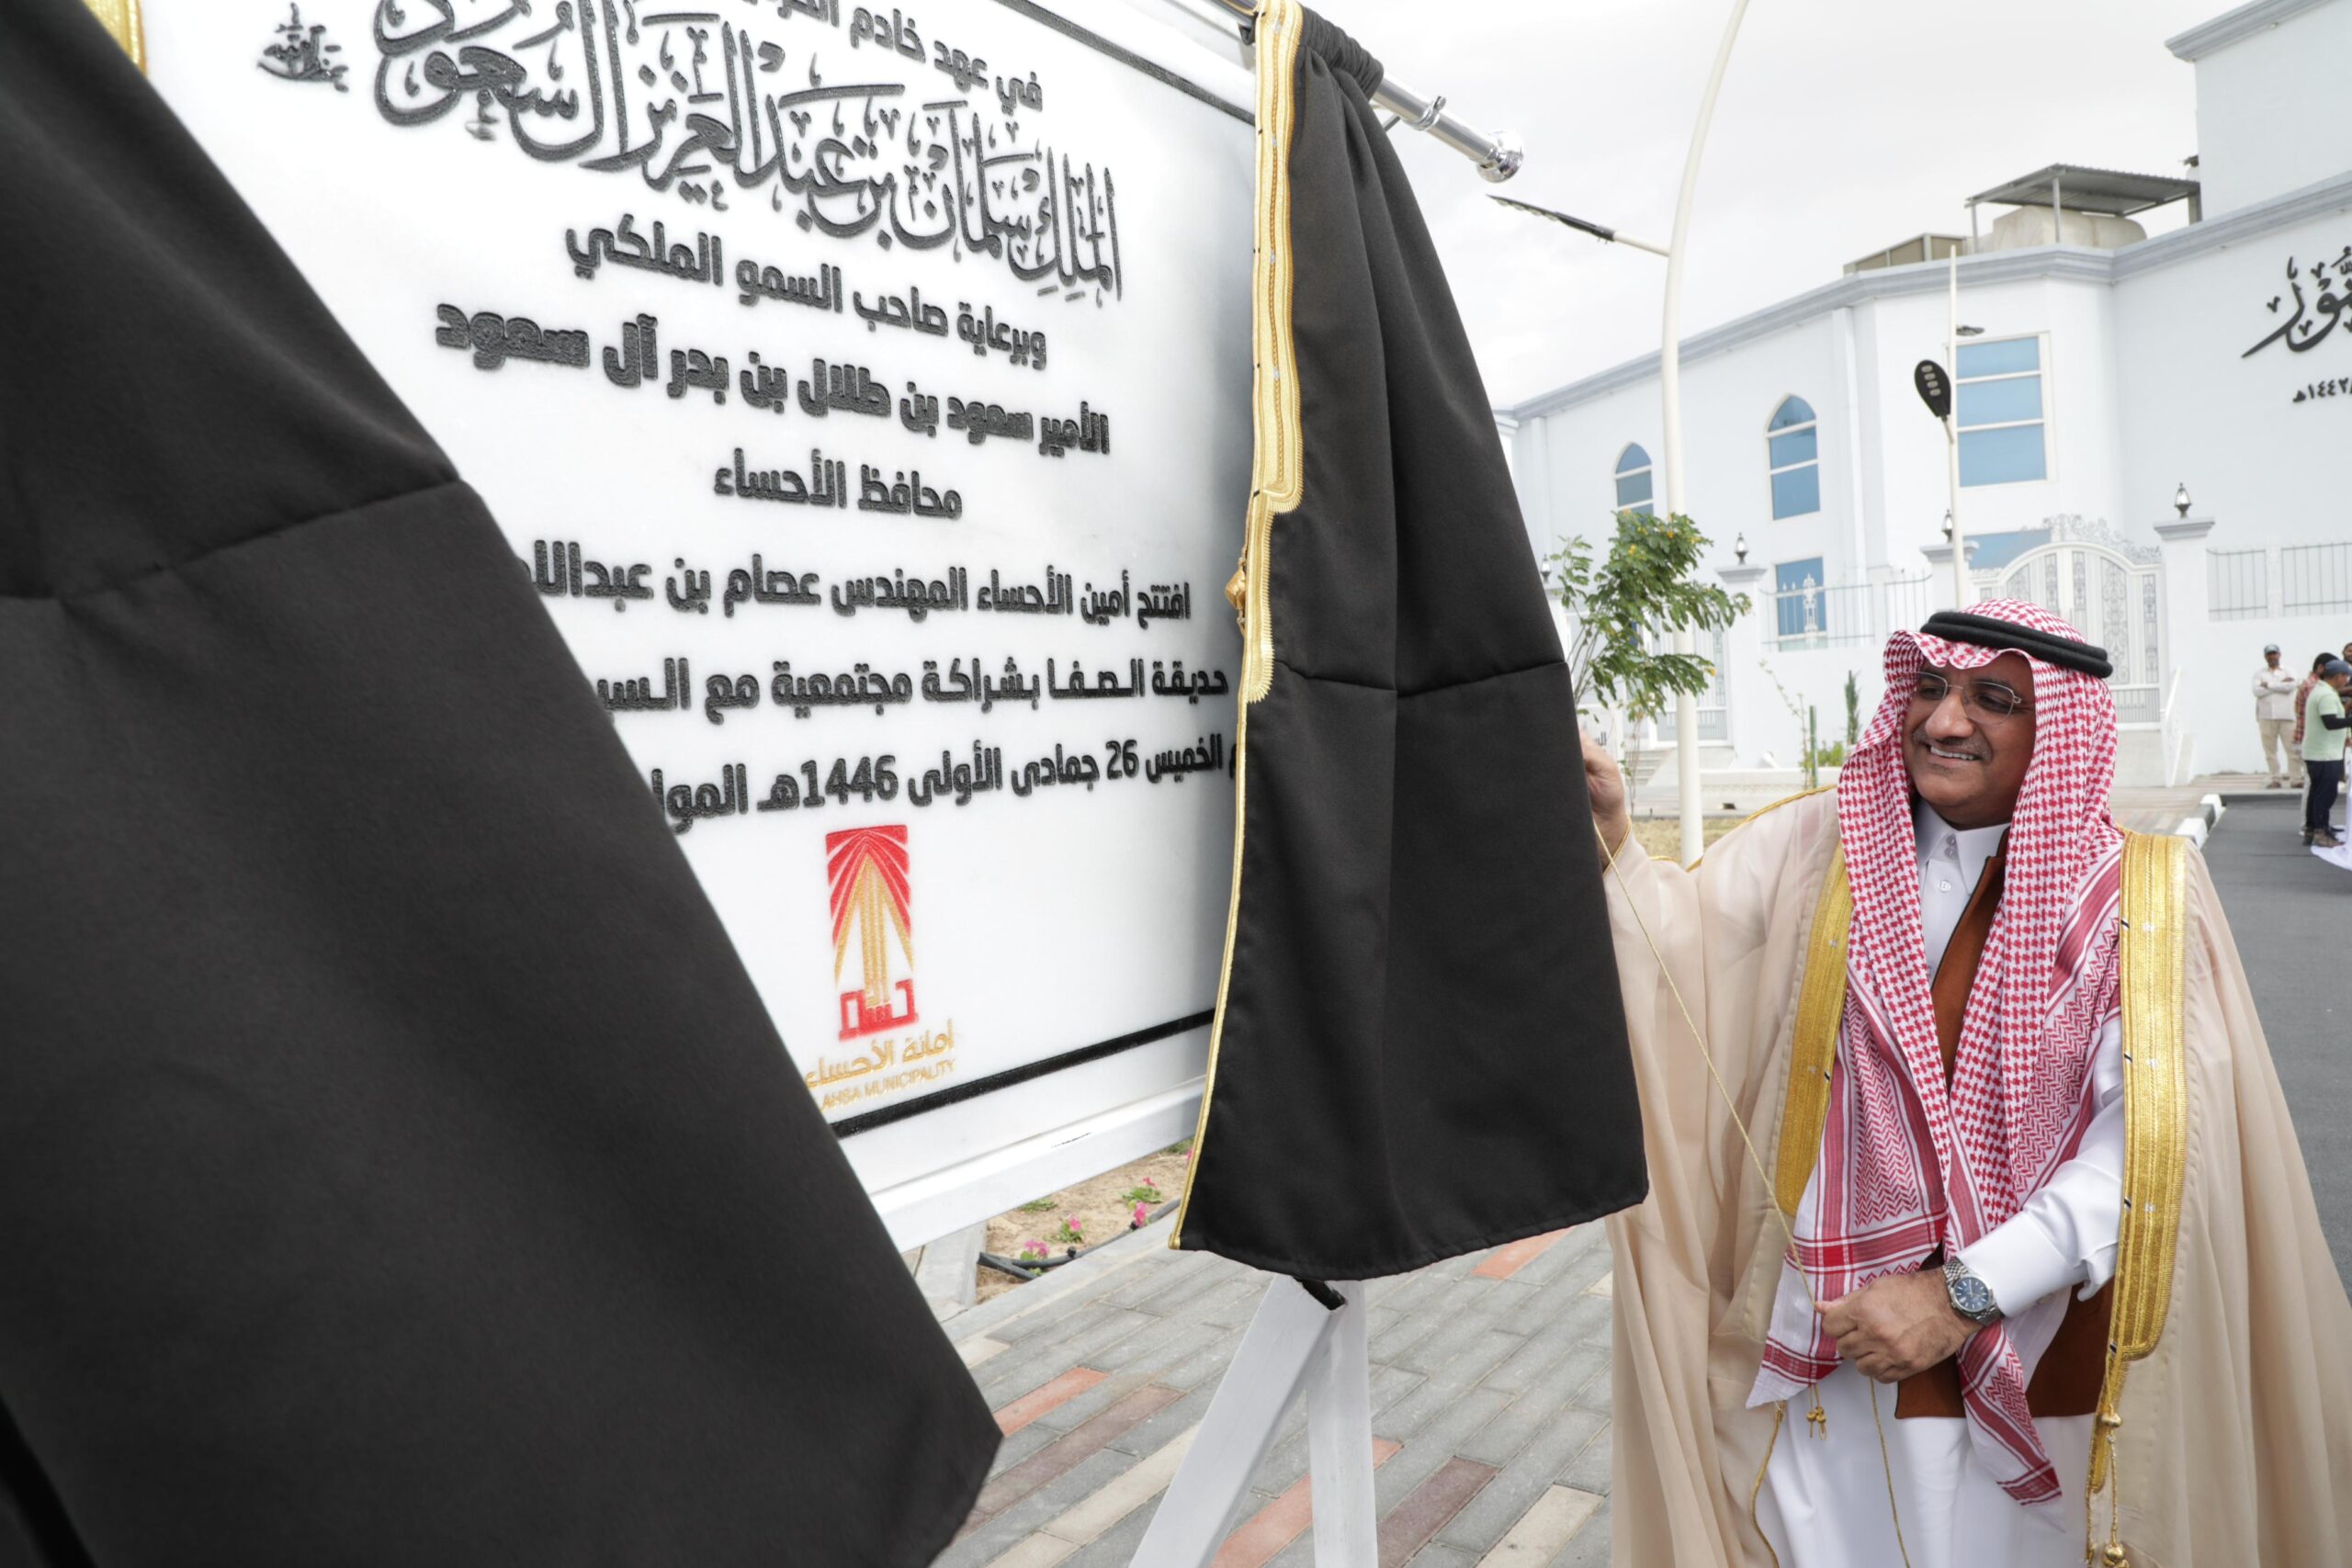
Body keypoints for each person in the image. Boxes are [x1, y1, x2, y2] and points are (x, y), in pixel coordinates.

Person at [1588, 599, 2352, 1568]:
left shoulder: (2144, 897)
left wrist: (1961, 1298)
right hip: (1835, 1347)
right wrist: (1611, 842)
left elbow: (2151, 1152)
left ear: (2059, 729)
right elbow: (1678, 960)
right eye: (1930, 687)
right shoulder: (1822, 848)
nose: (1945, 720)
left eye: (1993, 699)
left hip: (2041, 1341)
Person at [2301, 659, 2352, 848]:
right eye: (2346, 676)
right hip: (2324, 754)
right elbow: (2330, 722)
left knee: (2316, 793)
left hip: (2320, 752)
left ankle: (2312, 828)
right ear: (2338, 676)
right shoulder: (2326, 695)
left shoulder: (2322, 691)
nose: (2347, 680)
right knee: (2325, 794)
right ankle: (2321, 832)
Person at [2254, 643, 2301, 787]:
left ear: (2279, 655)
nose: (2272, 657)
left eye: (2274, 653)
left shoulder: (2289, 671)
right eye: (2269, 654)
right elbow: (2256, 691)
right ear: (2265, 656)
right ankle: (2275, 778)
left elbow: (2290, 686)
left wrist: (2268, 685)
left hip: (2287, 716)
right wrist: (2279, 685)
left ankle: (2296, 778)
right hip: (2266, 717)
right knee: (2270, 751)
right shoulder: (2259, 673)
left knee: (2292, 750)